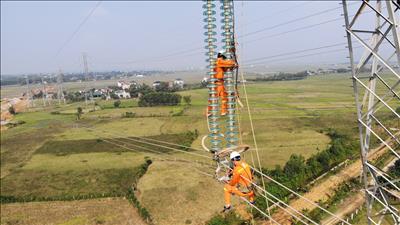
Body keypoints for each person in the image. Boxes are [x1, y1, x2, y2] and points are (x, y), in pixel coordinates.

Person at [207, 50, 237, 117]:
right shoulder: (219, 61)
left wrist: (232, 67)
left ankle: (209, 112)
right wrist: (233, 62)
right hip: (218, 83)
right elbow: (229, 63)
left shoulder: (218, 63)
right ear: (223, 56)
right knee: (223, 97)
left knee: (213, 98)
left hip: (215, 83)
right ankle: (223, 111)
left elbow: (225, 68)